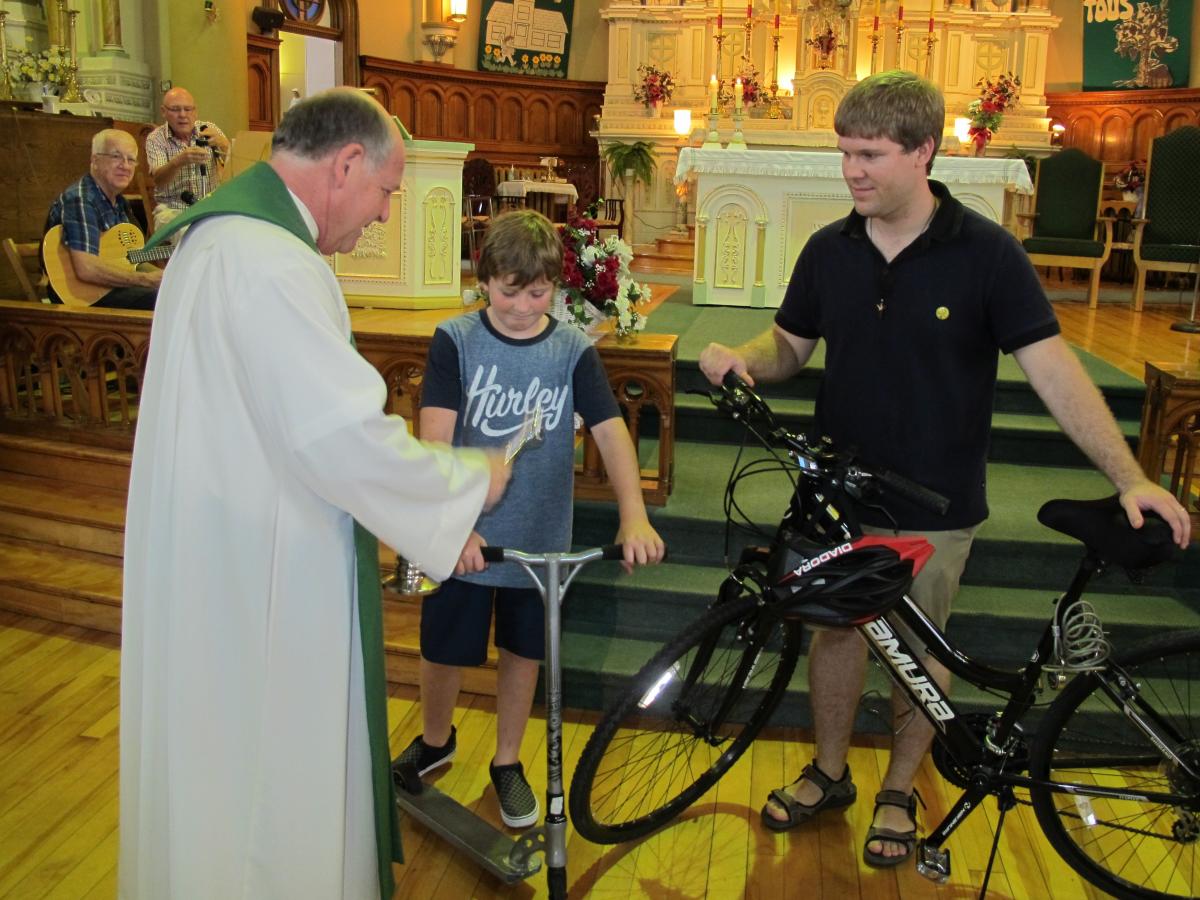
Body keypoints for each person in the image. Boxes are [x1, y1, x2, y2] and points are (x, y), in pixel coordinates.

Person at [698, 70, 1191, 869]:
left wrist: (1129, 474)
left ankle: (897, 784)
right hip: (837, 496)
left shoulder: (987, 254)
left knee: (921, 652)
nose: (851, 170)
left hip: (936, 497)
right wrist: (744, 360)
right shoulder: (830, 249)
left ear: (924, 151)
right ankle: (830, 772)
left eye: (870, 155)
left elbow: (1055, 374)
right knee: (835, 637)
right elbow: (788, 345)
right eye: (844, 153)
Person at [119, 88, 511, 900]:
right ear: (346, 164)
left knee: (214, 780)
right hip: (261, 580)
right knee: (266, 786)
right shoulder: (272, 263)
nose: (382, 216)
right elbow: (339, 438)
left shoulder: (218, 241)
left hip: (218, 556)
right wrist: (469, 478)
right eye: (386, 193)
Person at [393, 209, 666, 829]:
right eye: (508, 290)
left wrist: (633, 514)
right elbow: (434, 440)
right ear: (484, 279)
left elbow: (613, 433)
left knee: (523, 652)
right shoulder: (455, 341)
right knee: (444, 650)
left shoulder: (571, 350)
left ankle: (508, 761)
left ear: (557, 288)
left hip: (539, 545)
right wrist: (455, 524)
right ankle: (437, 741)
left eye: (537, 292)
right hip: (466, 542)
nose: (521, 306)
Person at [43, 128, 161, 310]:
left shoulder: (120, 203)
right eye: (116, 157)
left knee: (174, 292)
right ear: (95, 160)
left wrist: (168, 276)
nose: (125, 165)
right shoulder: (80, 199)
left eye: (131, 159)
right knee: (164, 300)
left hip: (110, 287)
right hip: (83, 297)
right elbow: (86, 269)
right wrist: (145, 280)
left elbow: (130, 258)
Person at [144, 86, 230, 230]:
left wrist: (225, 145)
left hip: (211, 207)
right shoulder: (156, 138)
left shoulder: (209, 129)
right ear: (163, 112)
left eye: (188, 109)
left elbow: (236, 167)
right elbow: (159, 180)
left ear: (195, 112)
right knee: (190, 234)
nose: (183, 115)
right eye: (175, 109)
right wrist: (178, 161)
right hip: (172, 209)